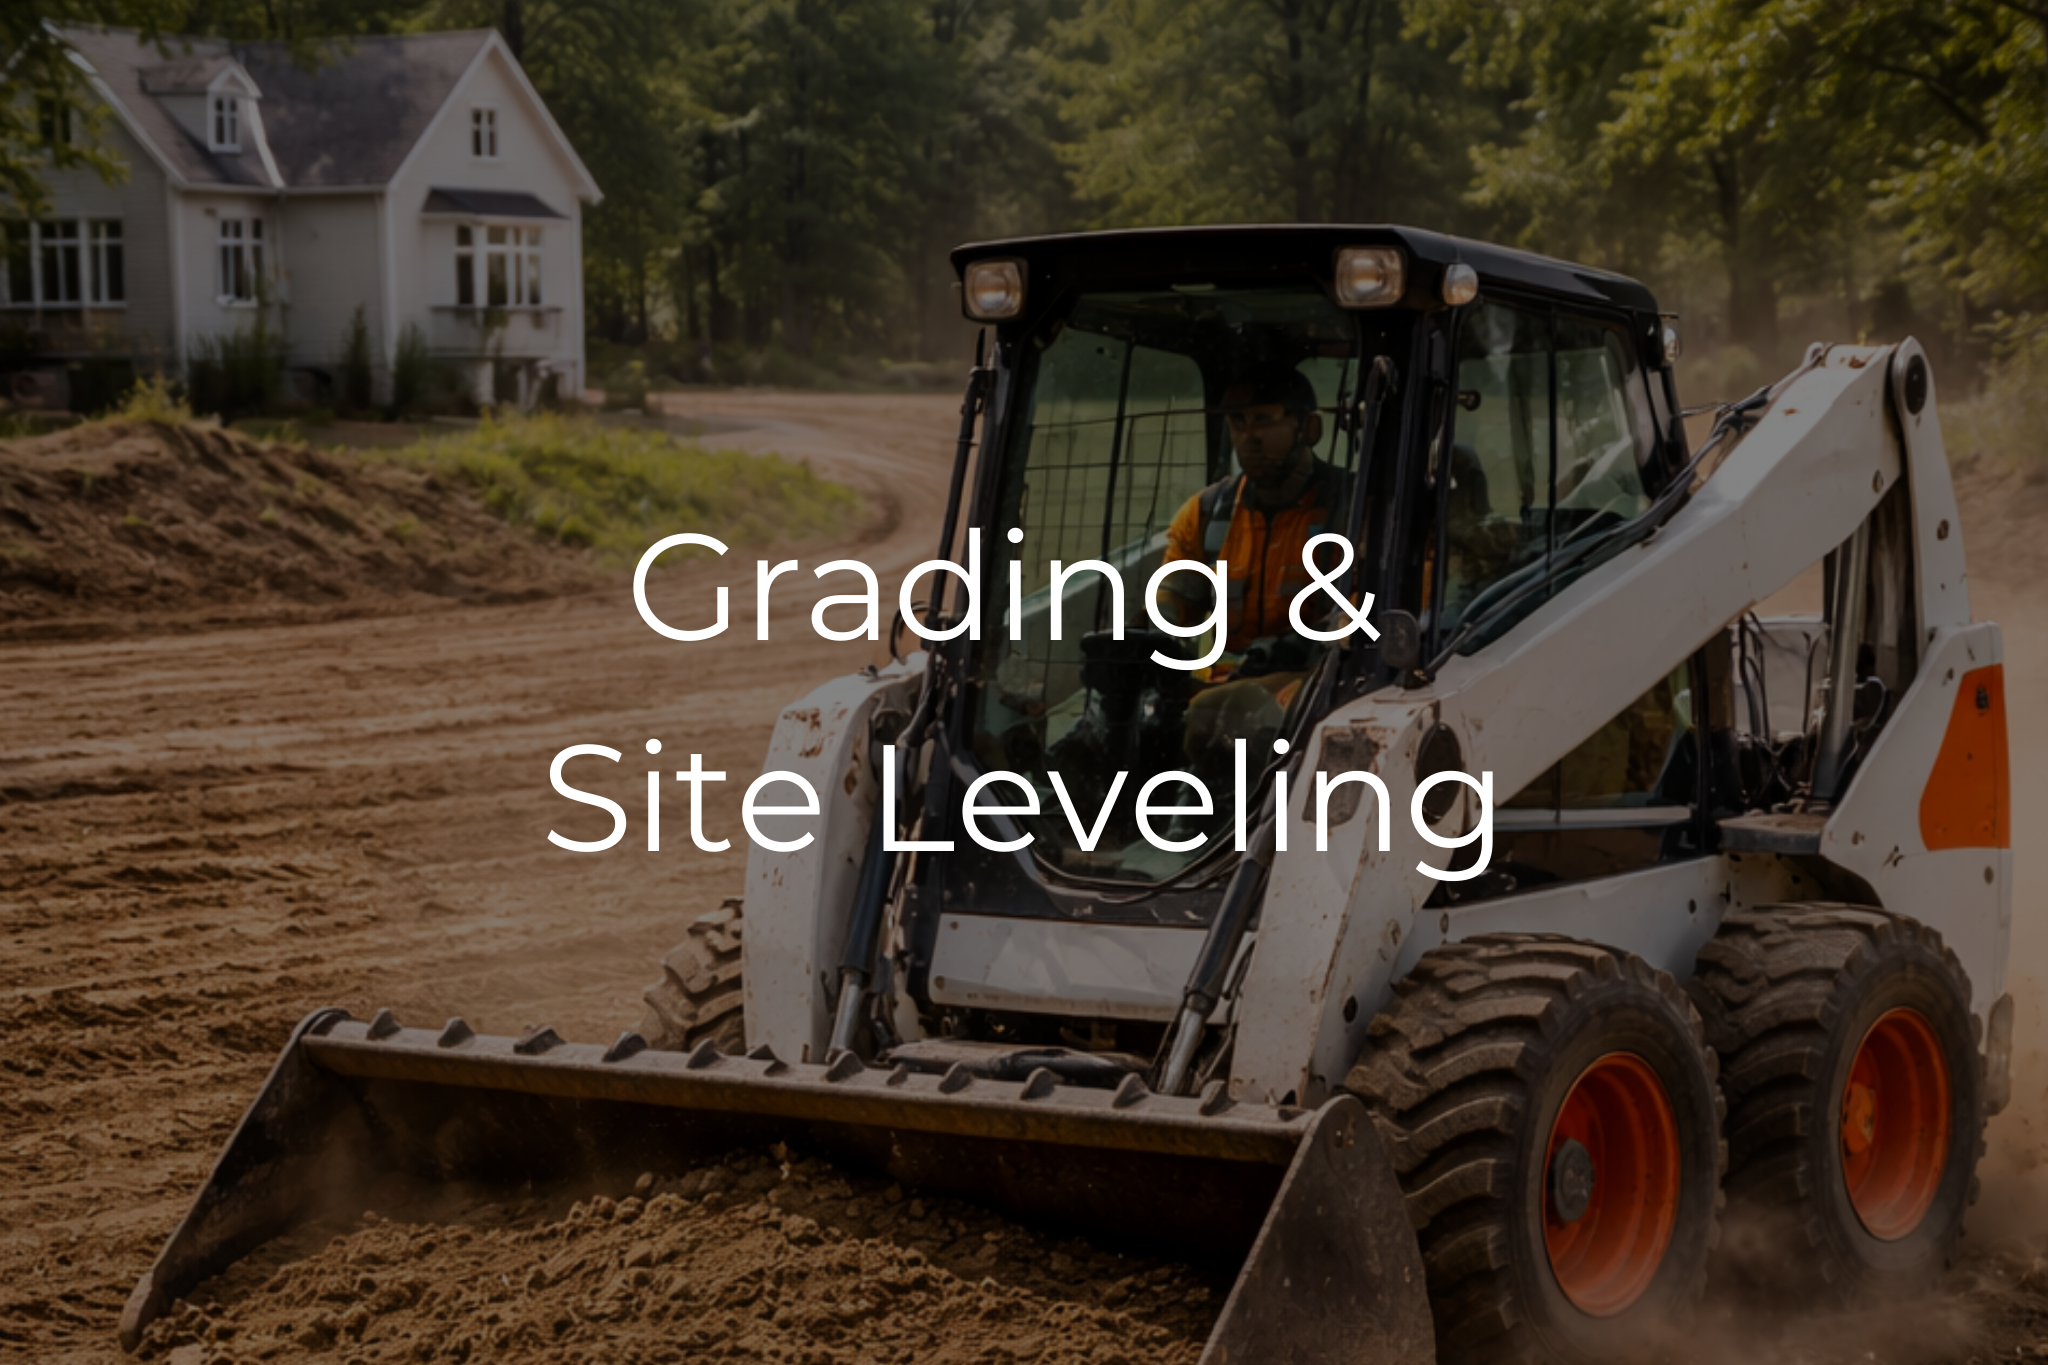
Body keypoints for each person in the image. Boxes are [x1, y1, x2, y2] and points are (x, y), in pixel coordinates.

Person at [1162, 362, 1354, 764]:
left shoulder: (1354, 510)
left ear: (1310, 429)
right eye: (1238, 423)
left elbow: (1358, 617)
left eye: (1264, 421)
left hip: (1318, 688)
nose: (1248, 437)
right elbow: (1169, 606)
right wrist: (1142, 641)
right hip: (1223, 691)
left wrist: (1296, 648)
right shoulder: (1204, 514)